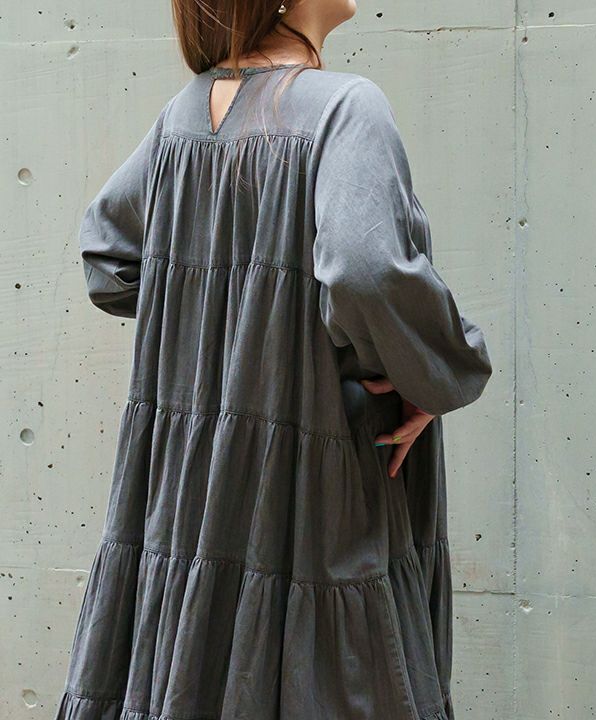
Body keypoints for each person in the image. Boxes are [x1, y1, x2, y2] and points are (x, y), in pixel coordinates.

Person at [54, 1, 493, 719]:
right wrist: (436, 373)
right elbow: (366, 269)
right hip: (315, 487)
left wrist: (227, 323)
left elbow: (109, 260)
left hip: (193, 491)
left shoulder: (184, 117)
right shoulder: (346, 107)